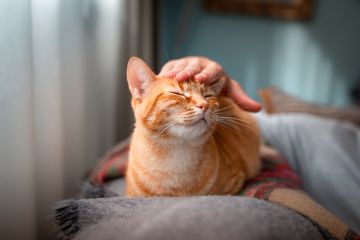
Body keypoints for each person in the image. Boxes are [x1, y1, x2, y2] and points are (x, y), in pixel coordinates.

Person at [159, 56, 360, 232]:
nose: (201, 103)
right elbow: (258, 123)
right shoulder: (325, 133)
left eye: (206, 98)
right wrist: (207, 80)